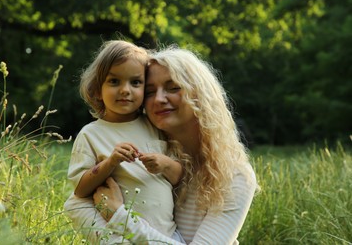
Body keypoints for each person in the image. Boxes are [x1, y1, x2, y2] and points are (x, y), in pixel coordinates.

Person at [92, 46, 258, 244]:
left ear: (200, 95)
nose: (160, 99)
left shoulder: (233, 175)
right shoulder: (137, 158)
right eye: (150, 92)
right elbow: (78, 206)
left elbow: (111, 214)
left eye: (173, 88)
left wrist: (120, 218)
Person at [64, 40, 184, 243]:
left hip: (167, 234)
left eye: (135, 82)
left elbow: (179, 177)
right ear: (96, 90)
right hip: (121, 234)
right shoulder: (91, 134)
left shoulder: (155, 125)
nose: (125, 90)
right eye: (114, 81)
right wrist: (110, 163)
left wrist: (165, 164)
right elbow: (80, 190)